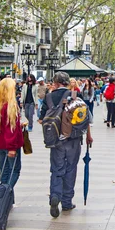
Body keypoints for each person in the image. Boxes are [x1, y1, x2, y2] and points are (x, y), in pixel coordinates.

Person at [39, 72, 93, 218]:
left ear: (55, 83)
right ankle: (67, 201)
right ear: (68, 82)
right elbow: (86, 118)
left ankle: (55, 196)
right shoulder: (75, 96)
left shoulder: (48, 97)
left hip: (56, 140)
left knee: (56, 169)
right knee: (71, 169)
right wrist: (88, 136)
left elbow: (41, 118)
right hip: (73, 139)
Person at [0, 78, 24, 190]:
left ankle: (5, 200)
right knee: (14, 170)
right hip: (9, 145)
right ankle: (5, 193)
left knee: (4, 171)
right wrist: (12, 148)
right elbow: (10, 129)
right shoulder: (10, 106)